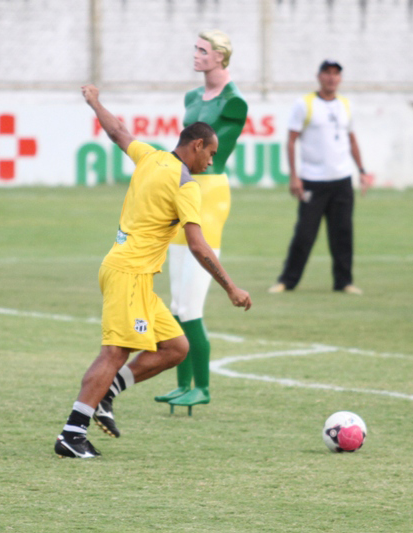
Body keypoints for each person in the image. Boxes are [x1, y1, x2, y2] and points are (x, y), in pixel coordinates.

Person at [54, 85, 251, 459]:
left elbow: (117, 132)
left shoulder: (151, 156)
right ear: (197, 145)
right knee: (114, 353)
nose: (211, 163)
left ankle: (108, 394)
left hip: (132, 274)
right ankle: (71, 435)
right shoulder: (186, 185)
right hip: (129, 273)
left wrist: (95, 102)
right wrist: (231, 287)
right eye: (211, 154)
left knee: (176, 347)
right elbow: (198, 245)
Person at [153, 29, 248, 411]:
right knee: (177, 303)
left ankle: (202, 387)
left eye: (203, 50)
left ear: (220, 56)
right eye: (196, 48)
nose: (195, 55)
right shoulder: (192, 97)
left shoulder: (234, 102)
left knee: (191, 305)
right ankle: (183, 384)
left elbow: (211, 152)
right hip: (186, 186)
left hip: (209, 193)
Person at [268, 60, 367, 295]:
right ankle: (287, 281)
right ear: (319, 76)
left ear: (340, 78)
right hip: (313, 180)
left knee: (343, 234)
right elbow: (291, 140)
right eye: (327, 73)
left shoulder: (345, 105)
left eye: (336, 74)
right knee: (304, 234)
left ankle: (344, 282)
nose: (332, 78)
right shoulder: (305, 104)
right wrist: (294, 176)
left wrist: (362, 170)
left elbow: (352, 139)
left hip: (342, 180)